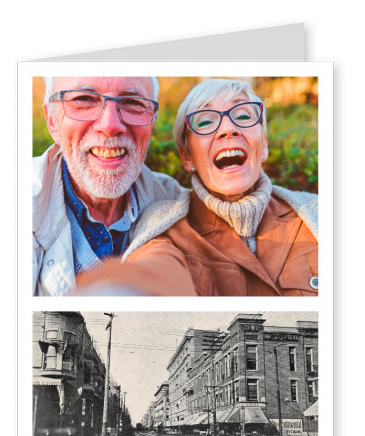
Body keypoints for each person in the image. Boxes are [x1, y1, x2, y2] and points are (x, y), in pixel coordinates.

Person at [76, 78, 318, 296]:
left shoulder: (317, 212)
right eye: (205, 121)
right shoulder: (165, 228)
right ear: (187, 157)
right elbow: (154, 270)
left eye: (243, 116)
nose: (228, 129)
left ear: (263, 144)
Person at [33, 76, 187, 296]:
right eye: (84, 99)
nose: (110, 125)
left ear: (152, 121)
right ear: (51, 120)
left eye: (133, 103)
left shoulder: (176, 204)